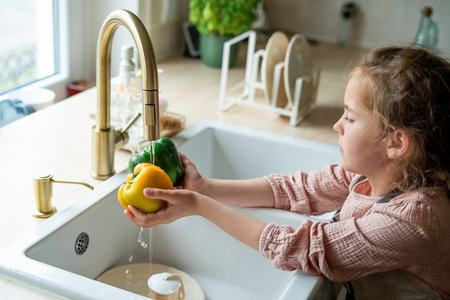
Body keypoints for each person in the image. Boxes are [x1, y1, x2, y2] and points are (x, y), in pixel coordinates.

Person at [124, 46, 450, 299]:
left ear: (396, 143)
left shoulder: (417, 218)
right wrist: (204, 188)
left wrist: (198, 206)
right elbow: (298, 189)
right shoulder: (375, 173)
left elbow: (302, 248)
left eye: (349, 118)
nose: (337, 125)